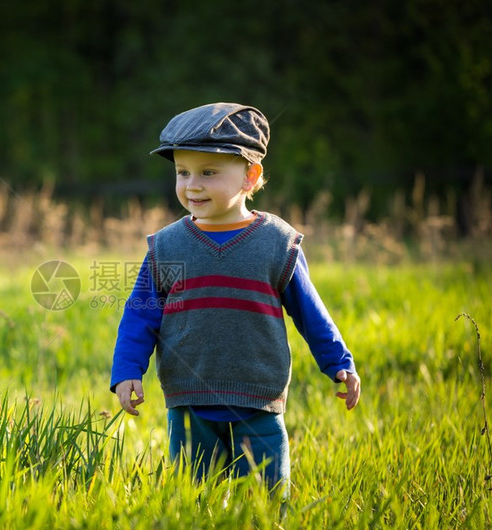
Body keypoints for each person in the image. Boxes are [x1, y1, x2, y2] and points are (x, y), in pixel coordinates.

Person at [110, 102, 361, 495]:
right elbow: (140, 315)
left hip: (258, 398)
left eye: (209, 172)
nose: (192, 184)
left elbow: (311, 313)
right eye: (182, 172)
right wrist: (127, 370)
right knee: (193, 501)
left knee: (265, 501)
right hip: (190, 401)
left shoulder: (278, 243)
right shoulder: (168, 245)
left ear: (251, 175)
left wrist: (339, 362)